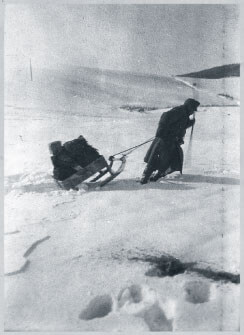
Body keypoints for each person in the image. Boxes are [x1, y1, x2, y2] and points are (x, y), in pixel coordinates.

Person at [140, 98, 200, 184]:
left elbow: (180, 126)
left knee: (174, 159)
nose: (193, 112)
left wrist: (190, 123)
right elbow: (165, 117)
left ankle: (158, 175)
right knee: (156, 158)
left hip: (172, 140)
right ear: (189, 107)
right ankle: (145, 178)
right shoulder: (179, 111)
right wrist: (161, 132)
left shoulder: (185, 114)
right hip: (164, 139)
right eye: (193, 109)